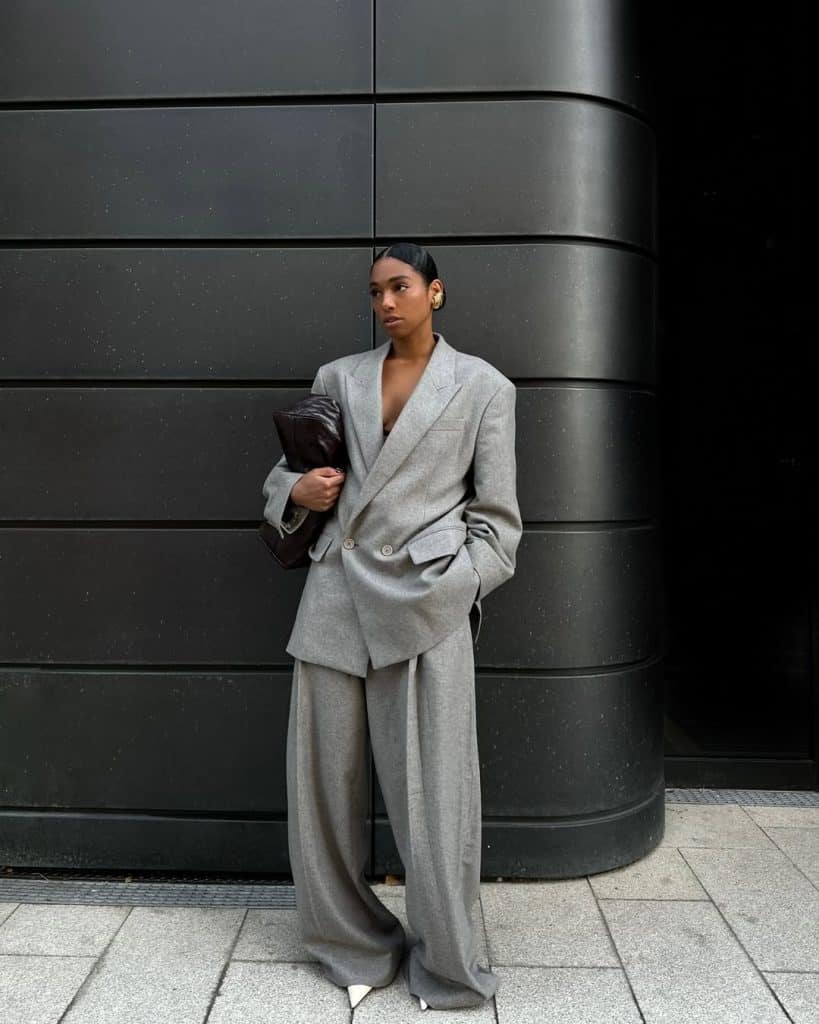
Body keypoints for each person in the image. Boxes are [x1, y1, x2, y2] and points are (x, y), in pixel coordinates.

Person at [261, 241, 522, 1011]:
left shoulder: (482, 386)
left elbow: (500, 523)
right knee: (323, 795)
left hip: (424, 606)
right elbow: (292, 476)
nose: (385, 302)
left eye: (400, 286)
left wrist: (458, 585)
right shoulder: (337, 377)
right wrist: (296, 490)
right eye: (375, 290)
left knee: (435, 800)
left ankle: (447, 962)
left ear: (434, 292)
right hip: (335, 601)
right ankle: (349, 945)